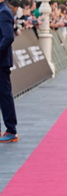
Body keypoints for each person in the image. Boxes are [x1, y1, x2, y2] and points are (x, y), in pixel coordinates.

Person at [0, 0, 18, 143]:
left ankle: (11, 130)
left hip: (2, 63)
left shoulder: (4, 12)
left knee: (5, 95)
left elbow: (8, 37)